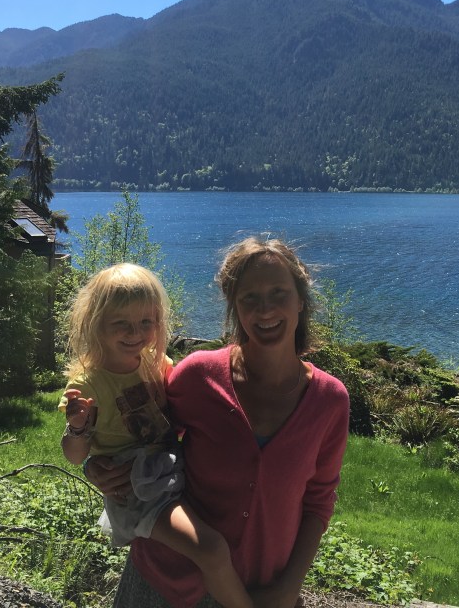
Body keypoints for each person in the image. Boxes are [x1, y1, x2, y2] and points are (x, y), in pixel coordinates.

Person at [85, 237, 350, 608]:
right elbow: (138, 433)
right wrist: (95, 464)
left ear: (300, 299)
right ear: (234, 308)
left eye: (279, 293)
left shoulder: (329, 401)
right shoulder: (199, 376)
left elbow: (319, 501)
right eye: (249, 298)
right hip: (163, 582)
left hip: (261, 591)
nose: (265, 309)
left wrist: (289, 588)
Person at [59, 263, 253, 608]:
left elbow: (182, 408)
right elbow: (74, 455)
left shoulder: (155, 362)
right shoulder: (88, 383)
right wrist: (78, 427)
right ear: (96, 322)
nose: (136, 333)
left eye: (146, 322)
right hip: (135, 487)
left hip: (166, 469)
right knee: (210, 548)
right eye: (122, 324)